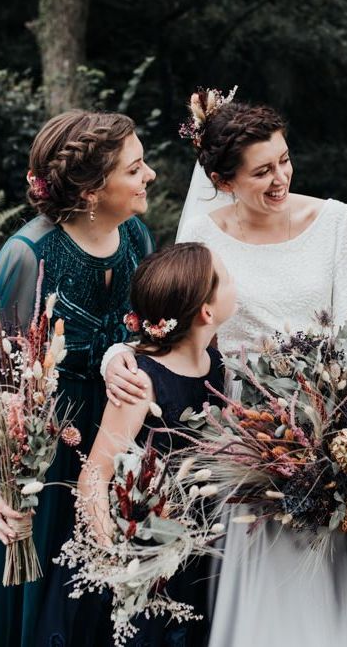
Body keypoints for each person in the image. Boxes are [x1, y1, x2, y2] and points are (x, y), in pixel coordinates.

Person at [104, 89, 347, 647]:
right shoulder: (203, 234)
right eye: (261, 171)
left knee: (332, 569)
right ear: (224, 180)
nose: (280, 178)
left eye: (284, 160)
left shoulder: (334, 220)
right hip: (244, 430)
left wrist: (345, 431)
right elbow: (168, 323)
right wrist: (116, 355)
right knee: (269, 582)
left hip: (332, 419)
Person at [0, 109, 156, 647]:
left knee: (95, 603)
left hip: (111, 439)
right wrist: (3, 482)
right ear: (91, 190)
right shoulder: (28, 254)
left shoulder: (136, 235)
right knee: (28, 608)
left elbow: (148, 332)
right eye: (135, 169)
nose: (150, 175)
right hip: (38, 454)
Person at [69, 243, 235, 647]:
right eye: (226, 279)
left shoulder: (217, 363)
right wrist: (117, 557)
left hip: (200, 542)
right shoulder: (141, 382)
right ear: (206, 313)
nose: (234, 282)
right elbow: (94, 475)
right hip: (148, 549)